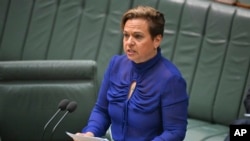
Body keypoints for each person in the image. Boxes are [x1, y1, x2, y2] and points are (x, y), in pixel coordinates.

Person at [75, 5, 189, 141]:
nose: (129, 42)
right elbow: (102, 110)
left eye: (138, 36)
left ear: (157, 40)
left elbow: (175, 131)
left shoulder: (171, 79)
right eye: (126, 35)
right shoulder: (116, 65)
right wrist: (90, 134)